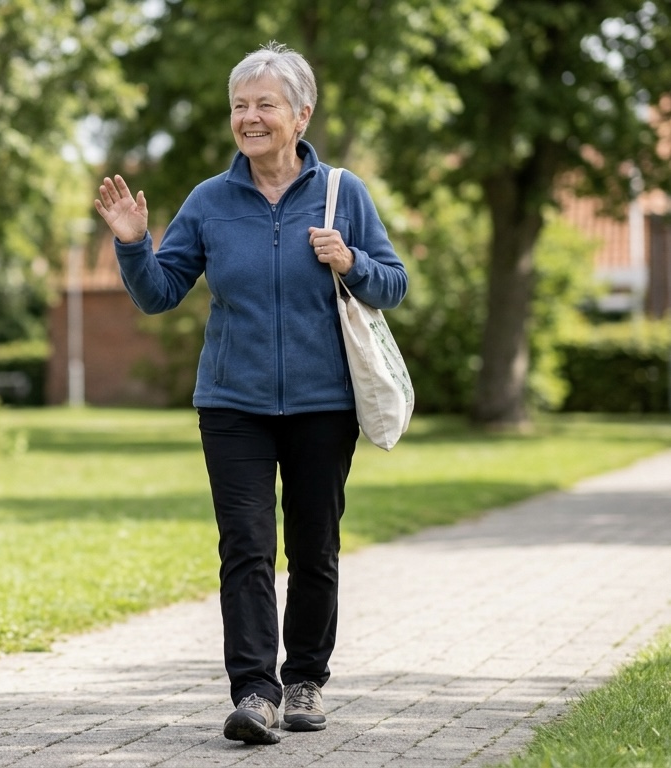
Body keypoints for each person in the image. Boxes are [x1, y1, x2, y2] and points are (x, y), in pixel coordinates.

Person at [93, 41, 407, 746]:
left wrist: (351, 261)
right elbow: (159, 296)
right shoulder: (210, 200)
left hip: (326, 405)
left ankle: (304, 682)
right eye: (240, 105)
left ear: (301, 113)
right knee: (246, 546)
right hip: (232, 403)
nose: (250, 117)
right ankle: (255, 694)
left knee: (315, 547)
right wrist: (135, 244)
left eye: (265, 104)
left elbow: (395, 283)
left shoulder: (341, 193)